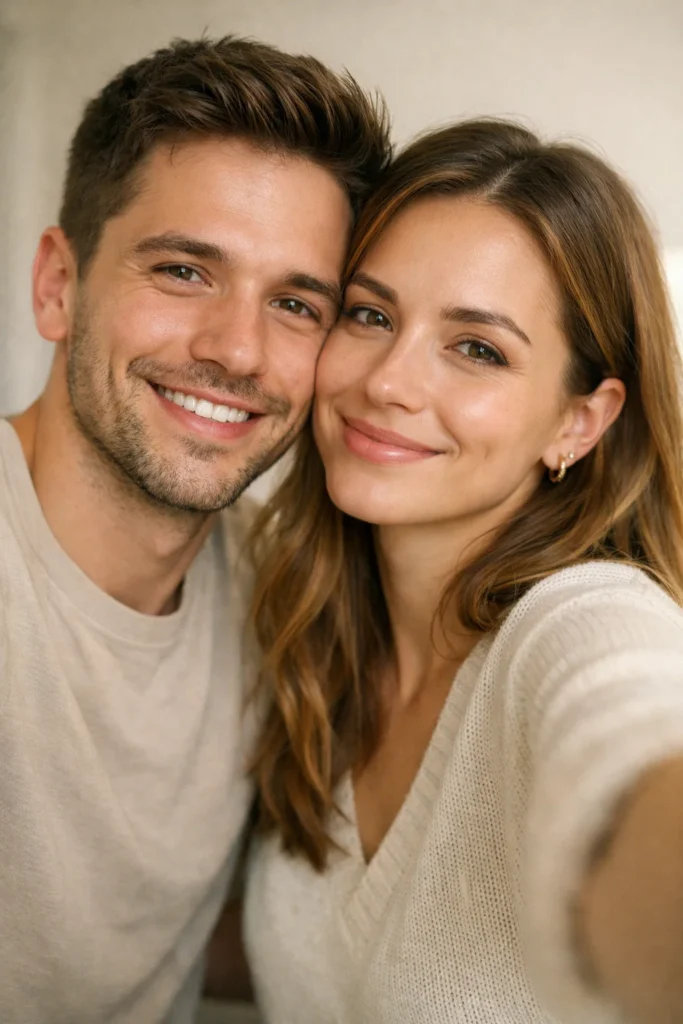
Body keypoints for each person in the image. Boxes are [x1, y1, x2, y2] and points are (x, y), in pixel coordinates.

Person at [244, 119, 683, 1023]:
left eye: (476, 347)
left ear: (580, 422)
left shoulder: (580, 620)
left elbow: (632, 733)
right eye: (369, 315)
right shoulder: (307, 627)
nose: (388, 382)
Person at [0, 35, 390, 1023]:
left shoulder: (277, 588)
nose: (235, 350)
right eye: (182, 271)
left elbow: (158, 940)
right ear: (58, 285)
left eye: (296, 302)